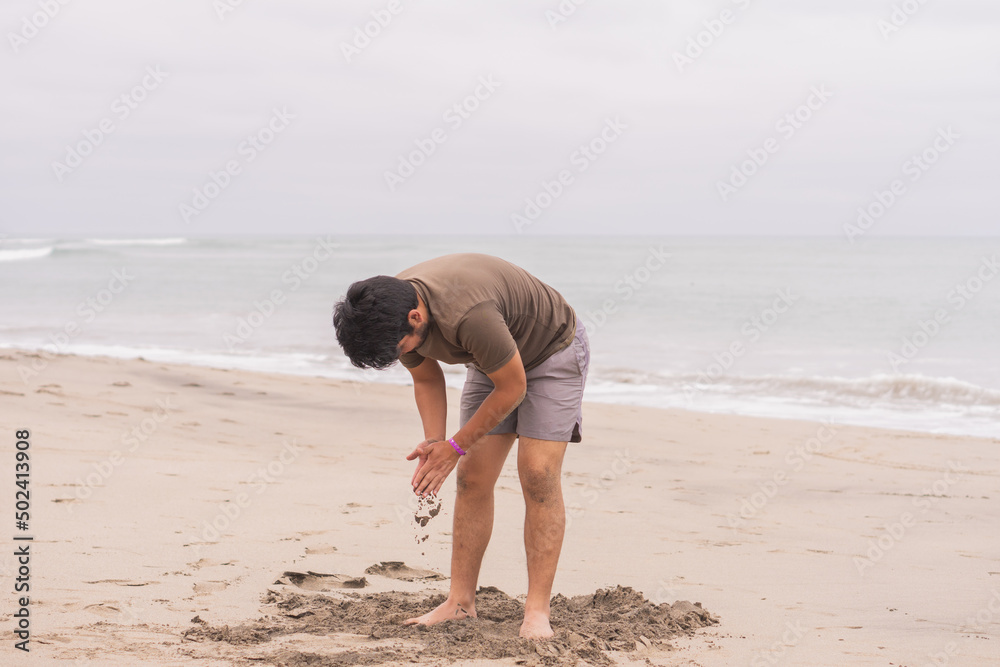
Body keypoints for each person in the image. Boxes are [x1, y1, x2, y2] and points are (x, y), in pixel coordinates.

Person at [332, 253, 590, 639]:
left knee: (537, 474)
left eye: (400, 348)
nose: (402, 355)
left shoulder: (468, 314)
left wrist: (455, 446)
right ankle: (459, 603)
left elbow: (514, 387)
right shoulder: (387, 313)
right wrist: (437, 443)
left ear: (416, 317)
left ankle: (537, 611)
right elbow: (427, 380)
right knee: (471, 478)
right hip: (493, 361)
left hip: (551, 351)